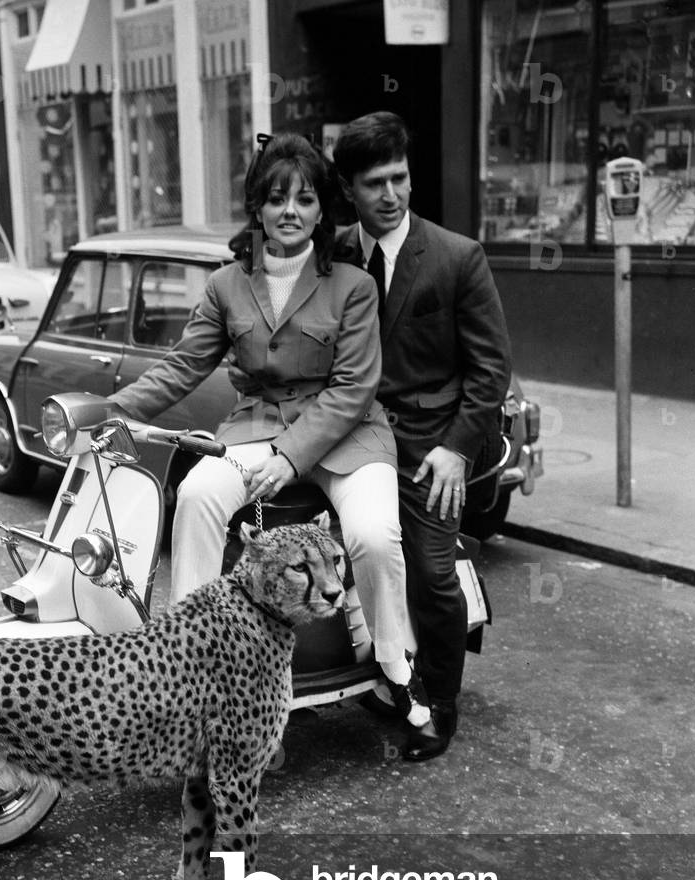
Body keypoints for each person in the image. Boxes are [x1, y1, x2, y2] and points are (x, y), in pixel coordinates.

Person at [110, 133, 433, 729]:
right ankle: (191, 657)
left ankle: (395, 665)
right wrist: (109, 411)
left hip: (350, 433)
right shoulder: (226, 284)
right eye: (278, 198)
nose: (291, 212)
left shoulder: (353, 287)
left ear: (322, 211)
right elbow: (184, 365)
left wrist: (288, 458)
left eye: (306, 200)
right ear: (257, 206)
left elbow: (353, 386)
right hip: (256, 425)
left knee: (373, 531)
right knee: (199, 495)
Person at [330, 111, 512, 760]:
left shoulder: (457, 257)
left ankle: (436, 702)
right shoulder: (333, 255)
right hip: (350, 439)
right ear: (347, 189)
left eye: (399, 178)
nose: (390, 195)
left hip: (432, 446)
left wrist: (457, 448)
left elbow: (491, 370)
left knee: (431, 573)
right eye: (373, 183)